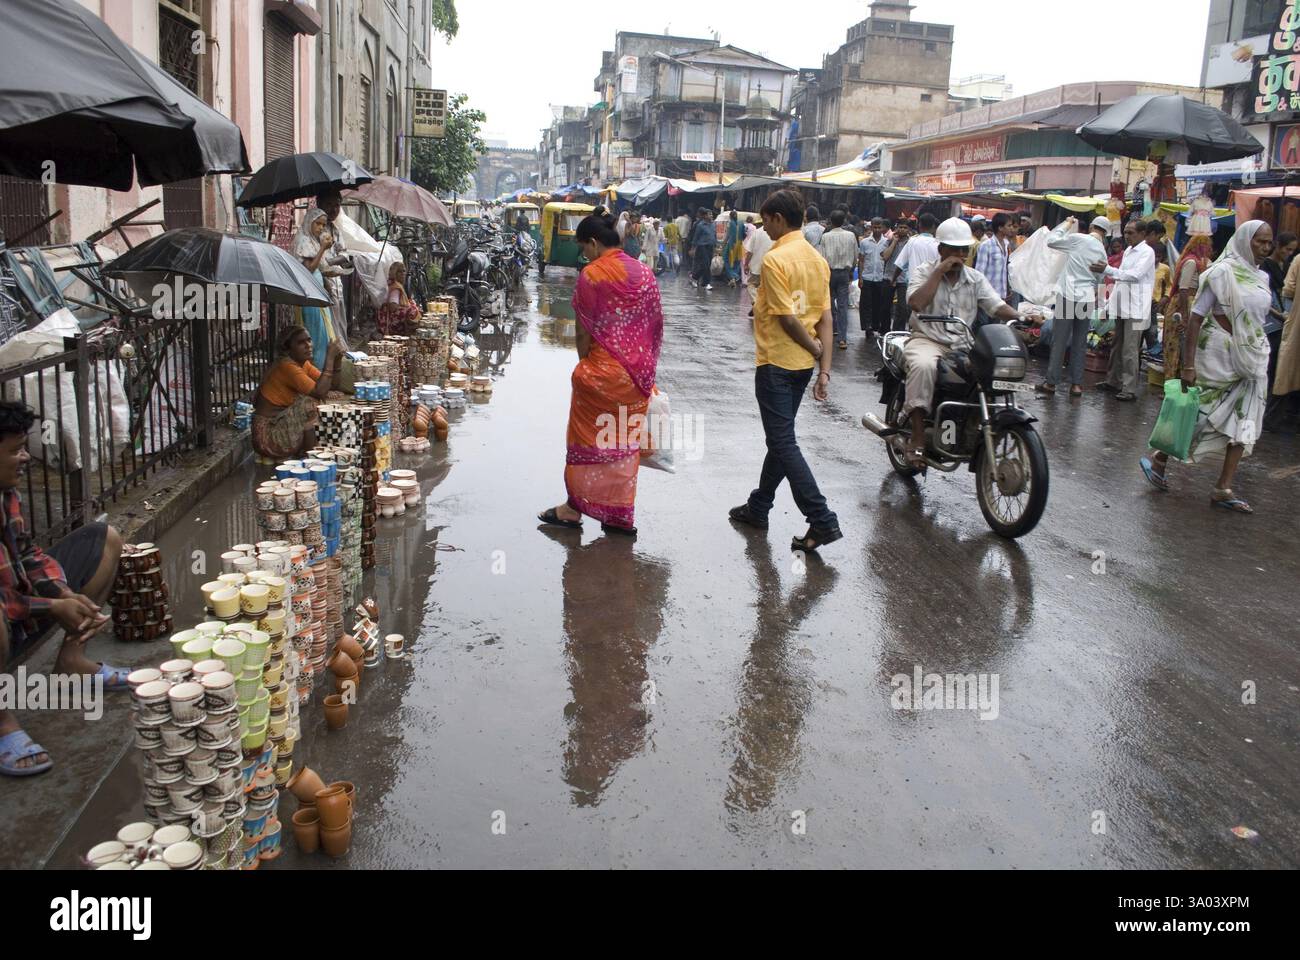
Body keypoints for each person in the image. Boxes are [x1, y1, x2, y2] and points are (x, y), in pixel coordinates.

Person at [1, 401, 125, 776]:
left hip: (18, 605)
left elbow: (27, 556)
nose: (25, 457)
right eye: (15, 450)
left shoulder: (7, 493)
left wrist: (64, 595)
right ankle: (3, 721)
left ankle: (71, 662)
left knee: (105, 539)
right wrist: (51, 608)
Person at [538, 208, 663, 537]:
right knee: (623, 445)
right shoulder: (645, 274)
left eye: (583, 248)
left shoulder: (592, 275)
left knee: (586, 441)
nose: (584, 255)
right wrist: (646, 370)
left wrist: (585, 365)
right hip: (637, 376)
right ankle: (619, 517)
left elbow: (583, 334)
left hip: (602, 375)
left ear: (593, 243)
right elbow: (655, 328)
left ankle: (573, 508)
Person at [728, 189, 841, 552]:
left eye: (766, 221)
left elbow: (788, 319)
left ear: (778, 219)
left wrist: (814, 349)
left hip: (777, 362)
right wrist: (823, 369)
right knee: (781, 440)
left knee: (782, 442)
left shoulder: (776, 260)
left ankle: (821, 519)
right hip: (802, 368)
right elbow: (825, 316)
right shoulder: (816, 259)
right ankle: (759, 506)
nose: (765, 227)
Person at [1139, 221, 1274, 514]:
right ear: (1243, 241)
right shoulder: (1220, 273)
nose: (1265, 248)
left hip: (1251, 359)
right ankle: (1161, 455)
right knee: (1205, 414)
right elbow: (1197, 318)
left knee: (1244, 419)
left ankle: (1223, 487)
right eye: (1259, 242)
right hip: (1218, 354)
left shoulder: (1262, 277)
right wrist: (1189, 365)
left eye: (1268, 243)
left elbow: (1257, 317)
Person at [903, 218, 1027, 467]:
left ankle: (973, 429)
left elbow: (996, 305)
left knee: (988, 371)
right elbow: (915, 303)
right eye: (954, 249)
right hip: (927, 339)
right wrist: (939, 272)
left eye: (964, 250)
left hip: (962, 343)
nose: (960, 255)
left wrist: (1022, 315)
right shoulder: (924, 271)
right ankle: (917, 437)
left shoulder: (975, 278)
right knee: (924, 366)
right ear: (941, 250)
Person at [1038, 216, 1110, 397]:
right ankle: (1076, 385)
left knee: (1059, 340)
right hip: (1086, 299)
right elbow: (1100, 280)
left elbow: (1052, 241)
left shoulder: (1078, 239)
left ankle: (1051, 383)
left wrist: (1067, 224)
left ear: (1092, 226)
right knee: (1080, 342)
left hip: (1068, 295)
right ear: (1105, 233)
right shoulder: (1103, 252)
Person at [252, 326, 344, 460]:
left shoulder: (301, 363)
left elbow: (331, 385)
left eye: (309, 340)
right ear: (288, 349)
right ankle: (309, 460)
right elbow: (319, 392)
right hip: (268, 438)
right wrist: (329, 357)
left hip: (279, 425)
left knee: (310, 402)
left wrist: (337, 360)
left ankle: (306, 452)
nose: (308, 345)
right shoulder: (287, 366)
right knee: (310, 403)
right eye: (301, 343)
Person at [1099, 218, 1156, 402]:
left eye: (1131, 232)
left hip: (1137, 309)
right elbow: (1120, 281)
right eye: (1125, 232)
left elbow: (1134, 276)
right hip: (1122, 306)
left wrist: (1108, 269)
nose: (1127, 236)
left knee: (1130, 349)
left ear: (1142, 234)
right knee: (1117, 346)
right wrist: (1108, 307)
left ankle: (1129, 388)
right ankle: (1113, 381)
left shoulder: (1147, 252)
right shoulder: (1129, 251)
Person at [293, 207, 344, 371]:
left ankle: (322, 372)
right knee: (316, 335)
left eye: (323, 225)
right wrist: (322, 248)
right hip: (309, 296)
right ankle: (317, 373)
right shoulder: (303, 241)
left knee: (324, 334)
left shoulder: (312, 241)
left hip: (317, 293)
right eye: (318, 224)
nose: (321, 228)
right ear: (309, 223)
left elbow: (318, 268)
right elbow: (308, 269)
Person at [1161, 235, 1213, 385]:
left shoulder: (1199, 263)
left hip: (1189, 302)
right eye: (1206, 246)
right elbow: (1183, 289)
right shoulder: (1191, 262)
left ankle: (1178, 383)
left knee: (1183, 343)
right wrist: (1184, 315)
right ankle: (1171, 383)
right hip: (1183, 304)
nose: (1209, 250)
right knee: (1175, 344)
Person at [312, 190, 351, 344]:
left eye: (337, 205)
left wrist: (331, 262)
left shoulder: (335, 230)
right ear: (320, 204)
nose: (334, 209)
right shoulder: (313, 228)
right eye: (329, 205)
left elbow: (345, 254)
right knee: (326, 325)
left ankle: (340, 353)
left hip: (336, 282)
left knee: (339, 321)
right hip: (318, 282)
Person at [819, 210, 859, 350]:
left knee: (828, 305)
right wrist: (850, 271)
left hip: (829, 273)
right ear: (843, 221)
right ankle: (842, 339)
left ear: (830, 221)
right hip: (844, 273)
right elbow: (855, 256)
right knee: (843, 306)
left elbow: (821, 258)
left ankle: (830, 332)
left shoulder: (826, 237)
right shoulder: (851, 236)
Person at [858, 217, 891, 334]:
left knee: (878, 303)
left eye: (879, 227)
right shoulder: (864, 242)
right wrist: (860, 277)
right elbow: (861, 260)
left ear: (883, 228)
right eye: (874, 227)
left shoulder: (887, 242)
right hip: (867, 277)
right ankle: (867, 326)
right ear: (871, 227)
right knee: (866, 304)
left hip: (880, 277)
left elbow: (887, 260)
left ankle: (875, 325)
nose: (877, 230)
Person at [974, 212, 1015, 303]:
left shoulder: (1007, 245)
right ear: (1000, 228)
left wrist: (1007, 290)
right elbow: (979, 273)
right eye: (1009, 226)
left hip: (1001, 297)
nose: (1011, 228)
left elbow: (1004, 271)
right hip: (987, 297)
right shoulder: (986, 245)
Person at [893, 212, 940, 285]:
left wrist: (893, 279)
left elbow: (900, 264)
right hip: (931, 286)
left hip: (913, 285)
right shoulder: (938, 244)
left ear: (919, 225)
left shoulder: (912, 241)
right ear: (934, 226)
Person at [883, 220, 912, 331]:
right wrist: (894, 242)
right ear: (896, 228)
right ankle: (885, 330)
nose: (902, 230)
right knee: (885, 306)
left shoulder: (911, 243)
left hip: (903, 278)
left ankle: (898, 330)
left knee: (902, 307)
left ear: (908, 230)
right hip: (888, 276)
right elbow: (885, 257)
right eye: (900, 227)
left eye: (905, 228)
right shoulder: (889, 241)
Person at [377, 261, 420, 336]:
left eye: (404, 271)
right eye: (400, 272)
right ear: (395, 273)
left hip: (387, 316)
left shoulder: (392, 283)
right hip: (391, 319)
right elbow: (393, 307)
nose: (403, 274)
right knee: (412, 310)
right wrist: (408, 307)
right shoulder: (395, 287)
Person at [743, 219, 774, 308]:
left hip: (757, 267)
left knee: (751, 284)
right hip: (771, 266)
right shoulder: (775, 233)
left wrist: (746, 264)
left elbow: (749, 252)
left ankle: (756, 302)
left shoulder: (756, 233)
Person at [688, 208, 716, 290]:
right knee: (705, 264)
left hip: (710, 246)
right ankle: (701, 280)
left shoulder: (713, 224)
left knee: (708, 265)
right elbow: (696, 237)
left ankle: (699, 280)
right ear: (705, 216)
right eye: (709, 214)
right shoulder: (700, 225)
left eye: (711, 214)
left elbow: (714, 235)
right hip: (702, 246)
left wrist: (716, 246)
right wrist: (693, 248)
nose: (711, 216)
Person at [722, 210, 746, 287]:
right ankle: (734, 277)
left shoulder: (730, 223)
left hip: (731, 246)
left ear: (730, 216)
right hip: (739, 246)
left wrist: (723, 244)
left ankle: (733, 277)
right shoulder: (741, 223)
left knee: (726, 260)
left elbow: (728, 235)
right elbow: (744, 235)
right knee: (737, 262)